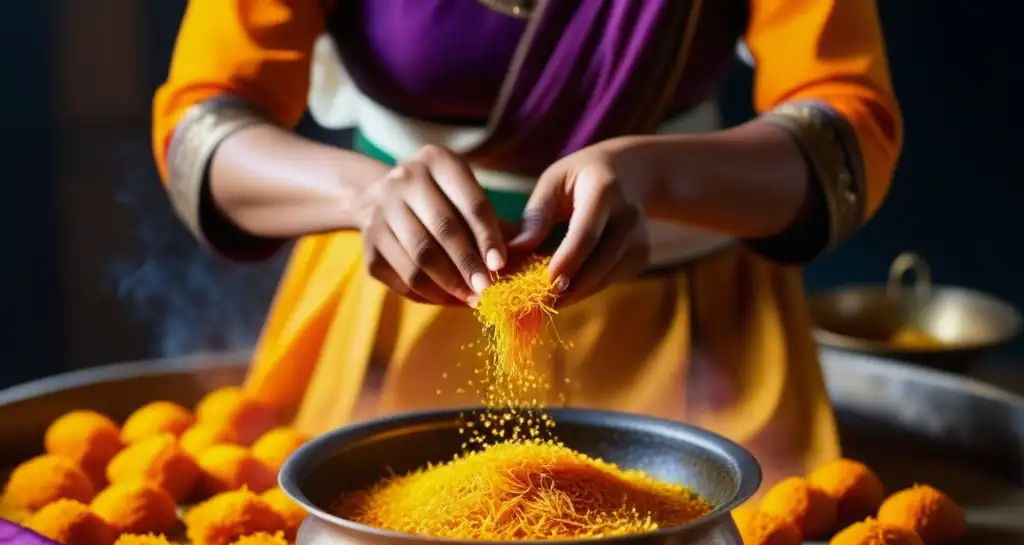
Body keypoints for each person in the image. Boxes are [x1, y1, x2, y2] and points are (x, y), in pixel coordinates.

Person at [153, 0, 902, 486]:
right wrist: (365, 196)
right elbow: (200, 127)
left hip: (689, 334)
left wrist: (657, 176)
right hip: (390, 313)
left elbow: (850, 132)